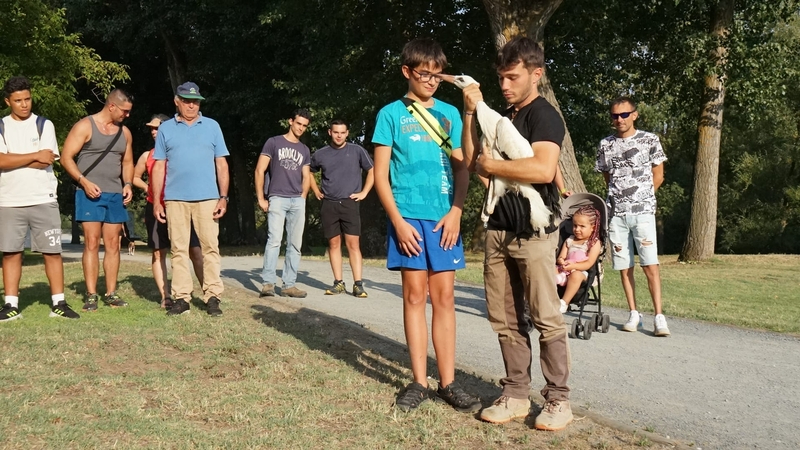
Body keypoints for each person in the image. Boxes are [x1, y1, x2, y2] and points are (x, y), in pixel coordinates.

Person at [461, 36, 573, 431]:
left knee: (545, 317)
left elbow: (543, 170)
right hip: (498, 229)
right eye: (501, 78)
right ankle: (515, 394)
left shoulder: (545, 117)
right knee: (505, 319)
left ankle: (558, 401)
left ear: (536, 74)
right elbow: (474, 160)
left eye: (513, 77)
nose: (505, 85)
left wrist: (494, 168)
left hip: (534, 232)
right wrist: (470, 112)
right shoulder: (501, 117)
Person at [372, 38, 480, 414]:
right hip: (408, 217)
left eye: (437, 75)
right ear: (407, 72)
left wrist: (456, 211)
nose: (432, 81)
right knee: (415, 297)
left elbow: (464, 163)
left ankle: (448, 383)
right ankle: (419, 381)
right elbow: (381, 177)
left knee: (445, 299)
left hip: (443, 218)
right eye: (424, 74)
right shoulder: (389, 115)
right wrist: (398, 222)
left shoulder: (449, 113)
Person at [0, 76, 80, 321]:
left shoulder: (45, 125)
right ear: (8, 101)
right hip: (9, 200)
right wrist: (33, 155)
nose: (24, 104)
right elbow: (1, 162)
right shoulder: (1, 126)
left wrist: (13, 158)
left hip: (43, 198)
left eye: (27, 99)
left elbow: (47, 160)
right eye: (18, 100)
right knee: (11, 252)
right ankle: (11, 305)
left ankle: (59, 303)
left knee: (51, 252)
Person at [151, 82, 229, 317]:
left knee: (210, 248)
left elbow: (222, 164)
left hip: (208, 198)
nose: (192, 105)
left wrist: (223, 197)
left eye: (195, 101)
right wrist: (157, 201)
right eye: (186, 101)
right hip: (175, 199)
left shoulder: (213, 126)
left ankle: (213, 296)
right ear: (177, 101)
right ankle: (182, 298)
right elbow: (159, 167)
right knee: (178, 250)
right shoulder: (165, 129)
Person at [596, 97, 669, 336]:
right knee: (624, 266)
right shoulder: (606, 144)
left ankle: (659, 317)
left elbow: (658, 175)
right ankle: (633, 313)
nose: (619, 120)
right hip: (617, 215)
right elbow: (608, 177)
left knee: (650, 264)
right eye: (615, 116)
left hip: (643, 212)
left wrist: (643, 197)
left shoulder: (649, 140)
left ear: (634, 115)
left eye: (624, 115)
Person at [61, 88, 135, 311]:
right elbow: (66, 158)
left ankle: (111, 293)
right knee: (91, 243)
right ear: (112, 106)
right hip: (89, 193)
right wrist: (83, 182)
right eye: (125, 111)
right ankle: (91, 295)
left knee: (113, 244)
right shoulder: (85, 126)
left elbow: (128, 162)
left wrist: (128, 184)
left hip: (114, 194)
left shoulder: (125, 133)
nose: (127, 115)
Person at [132, 114, 204, 308]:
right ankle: (166, 296)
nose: (154, 132)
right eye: (151, 129)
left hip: (181, 205)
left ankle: (209, 294)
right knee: (158, 252)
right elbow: (135, 177)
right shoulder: (148, 156)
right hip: (155, 207)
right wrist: (149, 189)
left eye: (157, 128)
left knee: (195, 250)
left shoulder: (180, 152)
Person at [309, 119, 375, 298]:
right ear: (330, 132)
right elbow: (308, 171)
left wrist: (364, 192)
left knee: (353, 244)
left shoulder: (357, 151)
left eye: (342, 132)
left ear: (347, 133)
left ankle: (358, 284)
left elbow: (372, 170)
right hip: (329, 203)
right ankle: (338, 282)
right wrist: (315, 190)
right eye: (335, 132)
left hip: (350, 203)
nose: (339, 135)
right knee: (333, 243)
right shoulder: (321, 154)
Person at [255, 109, 312, 299]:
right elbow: (259, 170)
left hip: (297, 200)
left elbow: (306, 175)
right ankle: (268, 284)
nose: (301, 128)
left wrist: (303, 196)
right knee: (274, 241)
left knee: (295, 245)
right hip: (277, 198)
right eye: (298, 124)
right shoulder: (274, 142)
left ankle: (289, 285)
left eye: (304, 125)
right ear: (290, 121)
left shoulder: (304, 149)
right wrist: (261, 198)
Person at [556, 205, 603, 313]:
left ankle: (564, 303)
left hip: (582, 272)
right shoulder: (570, 240)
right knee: (550, 270)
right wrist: (562, 261)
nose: (577, 229)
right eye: (575, 225)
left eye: (582, 226)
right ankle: (548, 296)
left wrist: (574, 266)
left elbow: (589, 263)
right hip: (565, 268)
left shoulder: (594, 243)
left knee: (575, 275)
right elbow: (561, 256)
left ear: (593, 227)